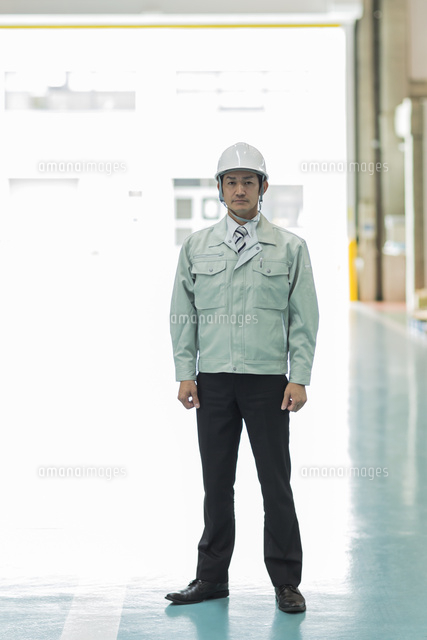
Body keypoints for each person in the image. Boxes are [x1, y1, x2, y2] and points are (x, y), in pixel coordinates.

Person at [167, 142, 319, 614]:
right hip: (213, 381)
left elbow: (304, 318)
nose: (239, 190)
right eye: (230, 182)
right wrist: (185, 372)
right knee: (217, 484)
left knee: (276, 483)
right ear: (219, 189)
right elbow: (182, 314)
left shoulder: (290, 247)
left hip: (267, 382)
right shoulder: (197, 247)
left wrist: (299, 376)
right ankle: (211, 579)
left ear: (263, 187)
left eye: (248, 182)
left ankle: (286, 582)